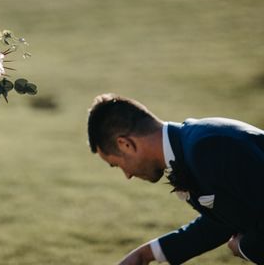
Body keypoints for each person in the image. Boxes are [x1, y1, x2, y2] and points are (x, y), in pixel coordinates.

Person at [87, 93, 264, 264]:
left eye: (117, 165)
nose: (127, 175)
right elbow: (227, 217)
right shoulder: (193, 145)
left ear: (125, 144)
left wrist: (242, 247)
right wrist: (146, 253)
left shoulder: (207, 148)